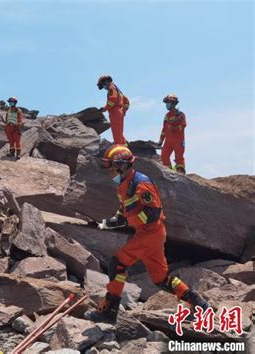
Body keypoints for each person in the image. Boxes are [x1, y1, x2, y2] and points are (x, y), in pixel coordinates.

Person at [84, 144, 209, 323]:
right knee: (161, 279)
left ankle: (109, 311)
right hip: (149, 233)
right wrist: (102, 224)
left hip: (150, 233)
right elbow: (121, 216)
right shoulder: (123, 186)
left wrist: (131, 221)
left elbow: (154, 212)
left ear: (122, 165)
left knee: (117, 263)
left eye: (111, 165)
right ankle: (198, 303)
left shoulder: (141, 183)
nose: (108, 170)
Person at [158, 94, 187, 174]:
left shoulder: (180, 114)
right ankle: (169, 173)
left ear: (173, 103)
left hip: (178, 140)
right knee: (164, 156)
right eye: (166, 103)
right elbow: (164, 129)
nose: (167, 105)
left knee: (179, 158)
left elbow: (184, 125)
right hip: (168, 141)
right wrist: (161, 140)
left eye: (168, 102)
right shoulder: (166, 116)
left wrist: (175, 128)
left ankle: (181, 174)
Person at [97, 75, 130, 145]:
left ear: (106, 82)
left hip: (115, 112)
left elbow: (112, 99)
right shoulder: (118, 90)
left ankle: (118, 150)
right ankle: (125, 151)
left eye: (103, 85)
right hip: (118, 112)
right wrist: (124, 111)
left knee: (116, 134)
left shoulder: (111, 88)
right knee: (119, 134)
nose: (104, 87)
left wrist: (105, 108)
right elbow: (126, 101)